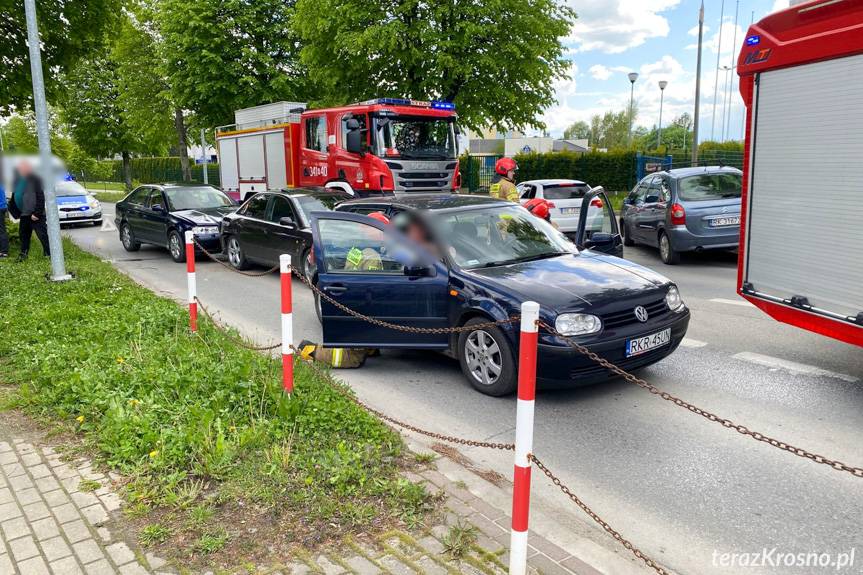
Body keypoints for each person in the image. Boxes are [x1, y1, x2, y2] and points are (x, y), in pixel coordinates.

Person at [11, 160, 50, 261]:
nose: (21, 170)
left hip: (35, 215)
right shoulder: (18, 180)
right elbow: (15, 195)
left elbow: (41, 196)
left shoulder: (35, 179)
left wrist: (37, 213)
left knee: (42, 235)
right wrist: (15, 211)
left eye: (23, 168)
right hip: (24, 214)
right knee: (23, 236)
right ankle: (23, 255)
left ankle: (49, 253)